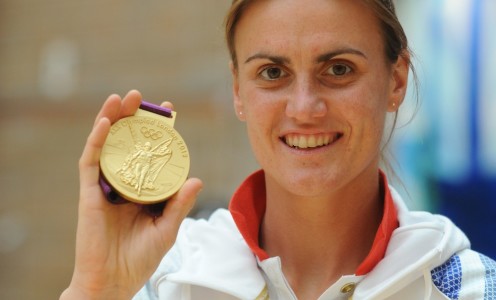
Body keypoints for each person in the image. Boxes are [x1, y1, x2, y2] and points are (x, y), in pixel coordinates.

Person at [60, 0, 496, 299]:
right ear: (238, 90)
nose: (305, 108)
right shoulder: (167, 282)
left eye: (339, 69)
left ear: (396, 80)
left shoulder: (473, 289)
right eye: (272, 73)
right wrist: (98, 289)